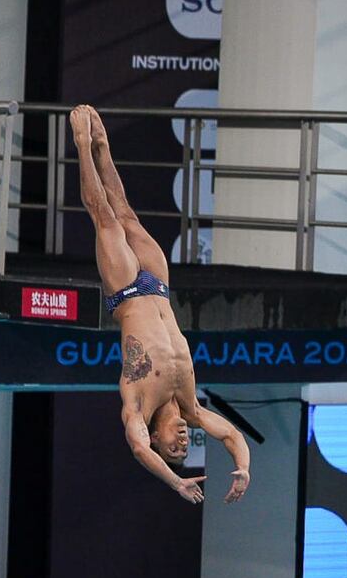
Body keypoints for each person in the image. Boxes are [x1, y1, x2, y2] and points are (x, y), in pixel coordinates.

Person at [69, 104, 250, 504]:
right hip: (159, 287)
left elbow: (138, 450)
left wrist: (175, 481)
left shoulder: (137, 405)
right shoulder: (192, 407)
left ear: (155, 436)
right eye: (185, 449)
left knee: (105, 219)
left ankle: (82, 144)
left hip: (126, 292)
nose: (182, 442)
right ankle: (103, 147)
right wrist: (243, 467)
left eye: (173, 448)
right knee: (126, 214)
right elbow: (232, 434)